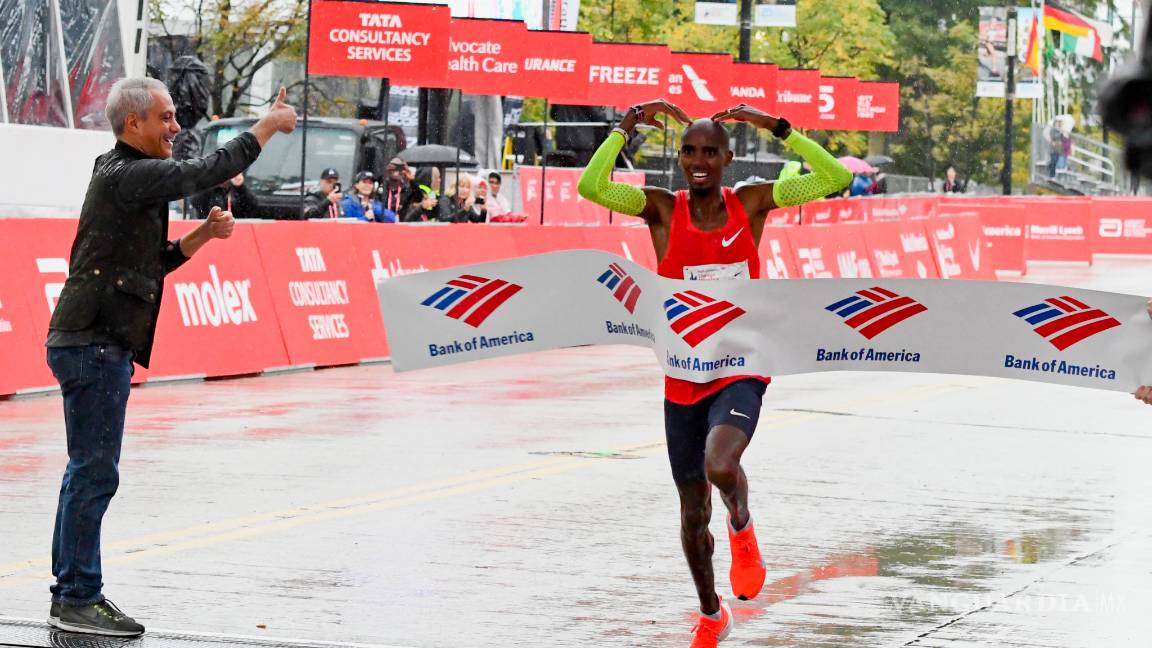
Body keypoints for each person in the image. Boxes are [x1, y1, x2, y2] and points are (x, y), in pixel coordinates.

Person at [578, 99, 850, 648]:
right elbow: (592, 187)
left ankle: (742, 526)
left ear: (727, 159)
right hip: (683, 375)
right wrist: (624, 129)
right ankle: (711, 613)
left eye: (709, 152)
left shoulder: (750, 203)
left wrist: (777, 128)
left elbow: (835, 178)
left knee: (720, 464)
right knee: (691, 513)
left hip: (741, 365)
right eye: (689, 152)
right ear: (680, 157)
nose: (698, 161)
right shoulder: (661, 209)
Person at [44, 77, 296, 637]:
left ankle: (71, 592)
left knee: (85, 473)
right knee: (93, 474)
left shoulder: (121, 174)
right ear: (133, 123)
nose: (176, 128)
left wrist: (202, 236)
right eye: (166, 117)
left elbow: (150, 264)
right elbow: (202, 171)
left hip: (89, 340)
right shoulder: (128, 174)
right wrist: (266, 127)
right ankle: (79, 596)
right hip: (93, 342)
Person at [190, 173, 258, 219]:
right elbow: (195, 202)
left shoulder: (238, 189)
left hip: (238, 229)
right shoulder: (208, 190)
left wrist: (240, 186)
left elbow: (252, 206)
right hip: (211, 229)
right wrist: (211, 183)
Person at [379, 157, 413, 222]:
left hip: (401, 224)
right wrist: (391, 216)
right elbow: (376, 205)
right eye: (393, 168)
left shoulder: (406, 189)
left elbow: (419, 198)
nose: (396, 170)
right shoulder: (382, 187)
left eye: (399, 168)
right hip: (383, 223)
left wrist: (412, 180)